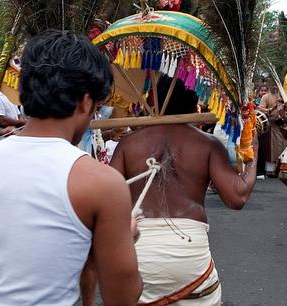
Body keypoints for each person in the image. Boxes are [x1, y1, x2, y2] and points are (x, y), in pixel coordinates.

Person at [0, 30, 142, 305]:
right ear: (86, 101)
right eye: (96, 107)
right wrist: (123, 237)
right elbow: (123, 297)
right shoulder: (102, 184)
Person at [107, 75, 258, 305]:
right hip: (189, 254)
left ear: (154, 103)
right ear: (194, 103)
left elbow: (107, 199)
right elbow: (237, 196)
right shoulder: (208, 144)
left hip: (139, 250)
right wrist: (252, 156)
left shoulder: (128, 144)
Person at [257, 84, 287, 176]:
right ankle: (270, 170)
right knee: (271, 149)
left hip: (284, 125)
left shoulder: (284, 96)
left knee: (283, 147)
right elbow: (260, 109)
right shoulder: (266, 97)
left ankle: (281, 169)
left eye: (276, 85)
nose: (275, 86)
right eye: (273, 84)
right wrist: (270, 110)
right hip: (272, 126)